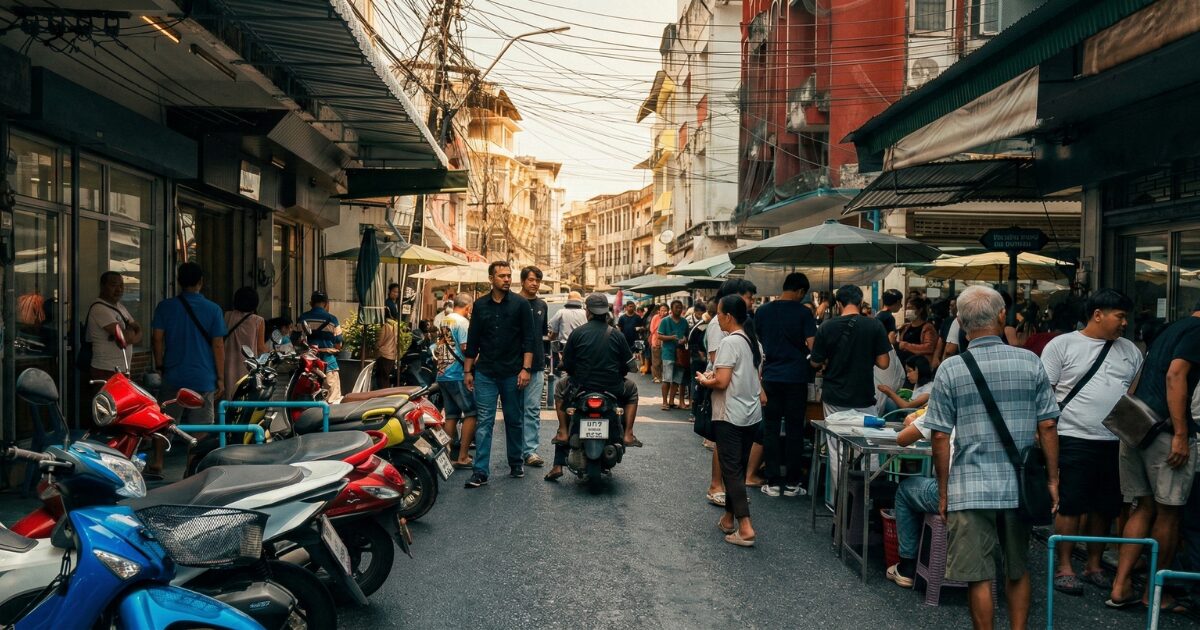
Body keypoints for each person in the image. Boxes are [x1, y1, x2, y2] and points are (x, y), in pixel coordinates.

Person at [924, 285, 1060, 630]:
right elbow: (1047, 426)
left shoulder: (951, 369)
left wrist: (943, 491)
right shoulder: (1030, 362)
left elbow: (939, 435)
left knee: (979, 575)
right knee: (1017, 568)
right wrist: (1053, 480)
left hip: (969, 486)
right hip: (1018, 485)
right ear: (1002, 316)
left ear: (960, 321)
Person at [1040, 289, 1142, 597]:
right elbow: (1045, 391)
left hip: (1115, 440)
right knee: (1071, 504)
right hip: (1073, 436)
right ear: (1098, 314)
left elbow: (1132, 397)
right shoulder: (1063, 345)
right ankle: (1065, 565)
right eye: (1119, 316)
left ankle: (1094, 564)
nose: (1124, 323)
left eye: (1125, 317)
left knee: (1106, 506)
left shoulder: (1131, 351)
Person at [1108, 302, 1199, 610]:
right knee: (1169, 513)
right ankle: (1154, 594)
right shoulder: (1198, 332)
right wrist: (1181, 434)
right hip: (1164, 430)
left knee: (1142, 507)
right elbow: (1176, 376)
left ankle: (1120, 586)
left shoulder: (1172, 327)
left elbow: (1142, 373)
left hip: (1136, 423)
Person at [545, 293, 641, 481]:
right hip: (612, 388)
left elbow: (566, 364)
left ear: (587, 311)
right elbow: (631, 366)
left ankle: (563, 432)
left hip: (580, 387)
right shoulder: (617, 334)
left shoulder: (577, 333)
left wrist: (565, 366)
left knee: (559, 389)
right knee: (632, 391)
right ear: (606, 312)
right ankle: (628, 433)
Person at [696, 294, 763, 547]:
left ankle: (745, 527)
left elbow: (722, 382)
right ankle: (728, 518)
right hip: (750, 414)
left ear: (729, 316)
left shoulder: (730, 342)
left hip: (730, 415)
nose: (717, 318)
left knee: (731, 470)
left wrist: (704, 380)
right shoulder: (754, 342)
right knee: (737, 466)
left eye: (720, 314)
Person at [150, 262, 227, 476]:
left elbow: (157, 338)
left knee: (164, 421)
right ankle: (191, 467)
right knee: (201, 428)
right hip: (203, 377)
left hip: (173, 375)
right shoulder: (213, 309)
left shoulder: (165, 307)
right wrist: (220, 378)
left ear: (178, 282)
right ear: (201, 282)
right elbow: (218, 345)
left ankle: (157, 461)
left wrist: (159, 365)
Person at [463, 261, 535, 488]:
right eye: (502, 276)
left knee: (514, 420)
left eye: (508, 275)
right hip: (485, 372)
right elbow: (473, 341)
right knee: (484, 422)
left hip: (513, 372)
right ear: (491, 279)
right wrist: (467, 371)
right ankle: (480, 471)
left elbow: (529, 339)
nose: (506, 279)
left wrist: (526, 369)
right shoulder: (480, 305)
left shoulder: (521, 304)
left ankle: (516, 462)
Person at [754, 272, 816, 497]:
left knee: (770, 429)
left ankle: (771, 481)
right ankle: (792, 483)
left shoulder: (762, 311)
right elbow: (812, 345)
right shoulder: (804, 313)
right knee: (794, 430)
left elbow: (758, 343)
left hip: (770, 377)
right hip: (796, 378)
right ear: (800, 291)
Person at [886, 410, 944, 588]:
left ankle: (907, 566)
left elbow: (902, 439)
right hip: (1004, 494)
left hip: (953, 492)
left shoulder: (948, 399)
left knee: (905, 489)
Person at [435, 293, 476, 468]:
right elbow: (467, 349)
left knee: (451, 415)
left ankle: (447, 455)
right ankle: (463, 456)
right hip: (458, 374)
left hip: (442, 373)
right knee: (471, 413)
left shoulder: (445, 320)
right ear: (468, 308)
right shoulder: (463, 323)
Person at [518, 266, 550, 468]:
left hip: (537, 365)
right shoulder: (512, 302)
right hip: (512, 365)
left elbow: (542, 334)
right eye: (531, 280)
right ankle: (515, 449)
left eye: (537, 280)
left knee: (532, 409)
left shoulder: (542, 305)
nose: (535, 284)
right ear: (522, 281)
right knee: (514, 410)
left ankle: (530, 451)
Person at [86, 271, 142, 380]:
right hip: (106, 370)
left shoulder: (120, 307)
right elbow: (125, 337)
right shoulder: (99, 308)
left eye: (121, 286)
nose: (119, 289)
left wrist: (132, 333)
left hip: (122, 369)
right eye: (113, 285)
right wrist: (131, 331)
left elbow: (138, 331)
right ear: (102, 286)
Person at [299, 292, 345, 402]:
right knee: (332, 399)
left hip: (307, 365)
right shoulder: (333, 320)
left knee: (305, 398)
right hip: (328, 363)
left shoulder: (303, 318)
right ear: (326, 304)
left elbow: (296, 340)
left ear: (311, 303)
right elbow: (338, 343)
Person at [223, 287, 266, 399]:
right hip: (248, 366)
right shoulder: (258, 321)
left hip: (227, 364)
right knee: (244, 397)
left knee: (228, 396)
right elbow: (261, 348)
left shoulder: (227, 316)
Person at [657, 300, 689, 411]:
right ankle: (664, 402)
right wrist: (671, 338)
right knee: (666, 379)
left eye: (680, 307)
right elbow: (659, 336)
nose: (679, 309)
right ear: (672, 308)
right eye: (676, 307)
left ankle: (671, 400)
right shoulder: (665, 321)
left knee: (676, 379)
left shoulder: (684, 322)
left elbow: (686, 336)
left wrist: (684, 340)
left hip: (680, 353)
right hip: (668, 353)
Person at [896, 298, 937, 363]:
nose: (907, 311)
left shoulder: (927, 327)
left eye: (911, 308)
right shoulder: (906, 327)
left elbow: (929, 348)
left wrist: (906, 345)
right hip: (904, 362)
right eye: (907, 308)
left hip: (919, 363)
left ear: (919, 310)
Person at [375, 309, 402, 390]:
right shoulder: (396, 325)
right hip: (393, 355)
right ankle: (386, 396)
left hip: (384, 354)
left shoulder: (385, 326)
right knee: (386, 377)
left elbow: (380, 341)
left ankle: (383, 396)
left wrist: (375, 346)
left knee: (381, 378)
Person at [649, 304, 667, 383]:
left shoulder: (668, 318)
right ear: (658, 311)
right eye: (662, 310)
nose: (663, 312)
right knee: (656, 361)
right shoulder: (656, 317)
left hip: (666, 342)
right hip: (656, 341)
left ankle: (663, 377)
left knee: (664, 361)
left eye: (665, 310)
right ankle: (656, 377)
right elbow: (652, 330)